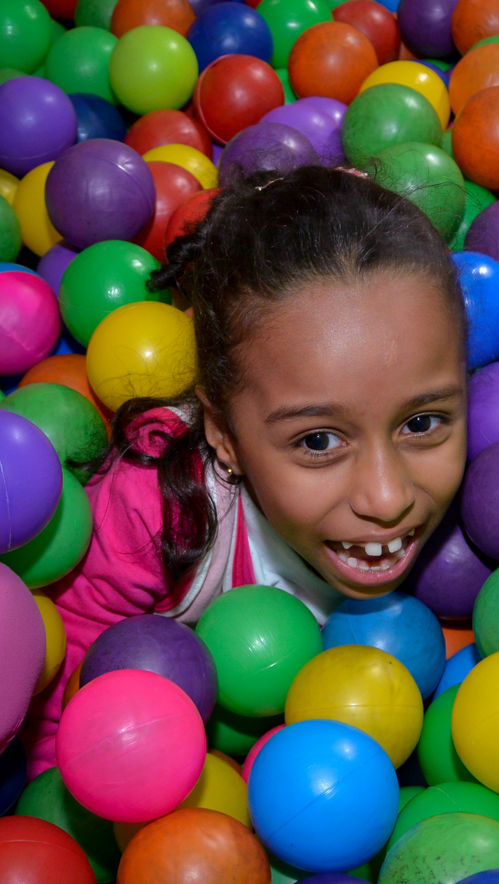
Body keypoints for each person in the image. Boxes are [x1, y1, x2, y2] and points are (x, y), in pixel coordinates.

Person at [23, 165, 468, 776]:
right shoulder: (157, 504)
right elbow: (60, 674)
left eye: (421, 423)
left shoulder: (484, 509)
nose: (388, 498)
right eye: (318, 441)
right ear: (225, 435)